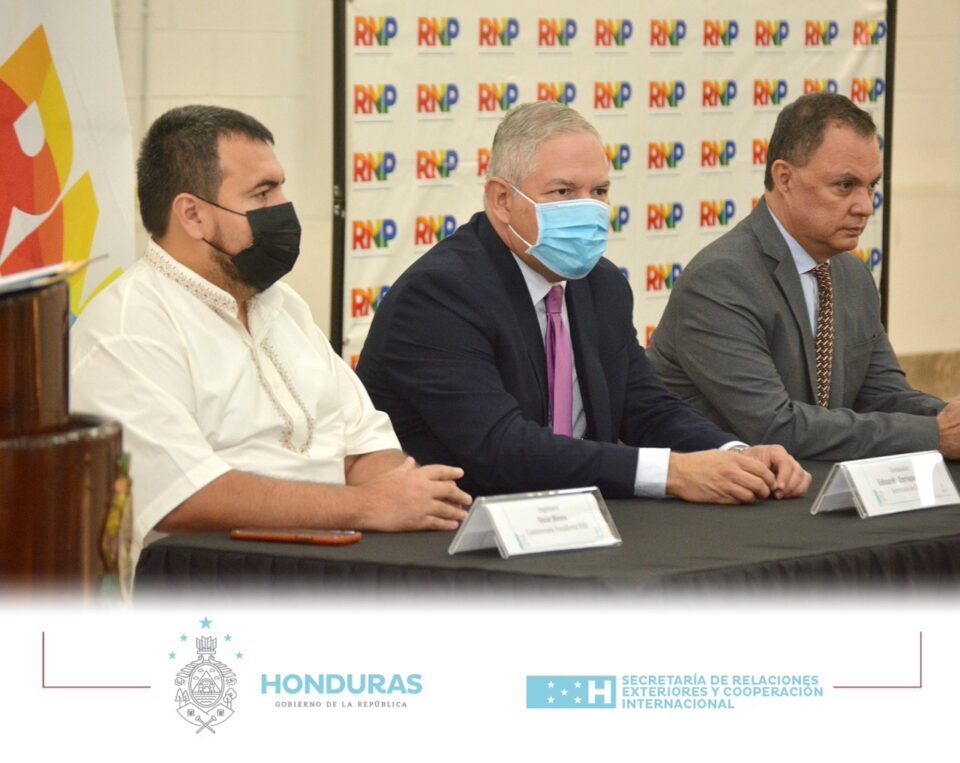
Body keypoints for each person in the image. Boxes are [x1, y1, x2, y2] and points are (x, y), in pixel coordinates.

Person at [71, 105, 470, 569]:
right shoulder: (127, 328)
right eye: (262, 194)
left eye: (280, 187)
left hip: (341, 564)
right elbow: (184, 496)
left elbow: (365, 446)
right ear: (193, 215)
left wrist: (406, 497)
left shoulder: (282, 305)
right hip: (214, 580)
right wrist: (367, 506)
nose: (283, 208)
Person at [356, 101, 810, 504]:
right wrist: (672, 473)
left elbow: (644, 405)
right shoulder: (439, 295)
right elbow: (501, 449)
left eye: (600, 192)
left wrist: (734, 453)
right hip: (459, 533)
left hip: (575, 520)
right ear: (501, 200)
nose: (589, 209)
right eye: (563, 193)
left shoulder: (601, 285)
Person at [647, 92, 960, 461]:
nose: (865, 206)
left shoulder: (852, 275)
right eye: (845, 185)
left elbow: (882, 396)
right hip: (722, 491)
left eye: (872, 186)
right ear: (784, 178)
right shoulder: (720, 280)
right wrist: (933, 435)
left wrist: (946, 419)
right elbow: (775, 427)